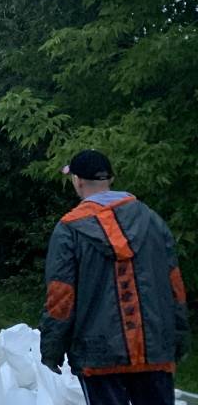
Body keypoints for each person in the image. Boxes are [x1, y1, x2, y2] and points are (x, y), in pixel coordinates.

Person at [41, 150, 189, 403]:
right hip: (154, 349)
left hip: (98, 354)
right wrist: (179, 336)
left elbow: (61, 295)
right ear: (110, 178)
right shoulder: (152, 220)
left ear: (77, 180)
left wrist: (52, 348)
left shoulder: (69, 229)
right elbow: (175, 286)